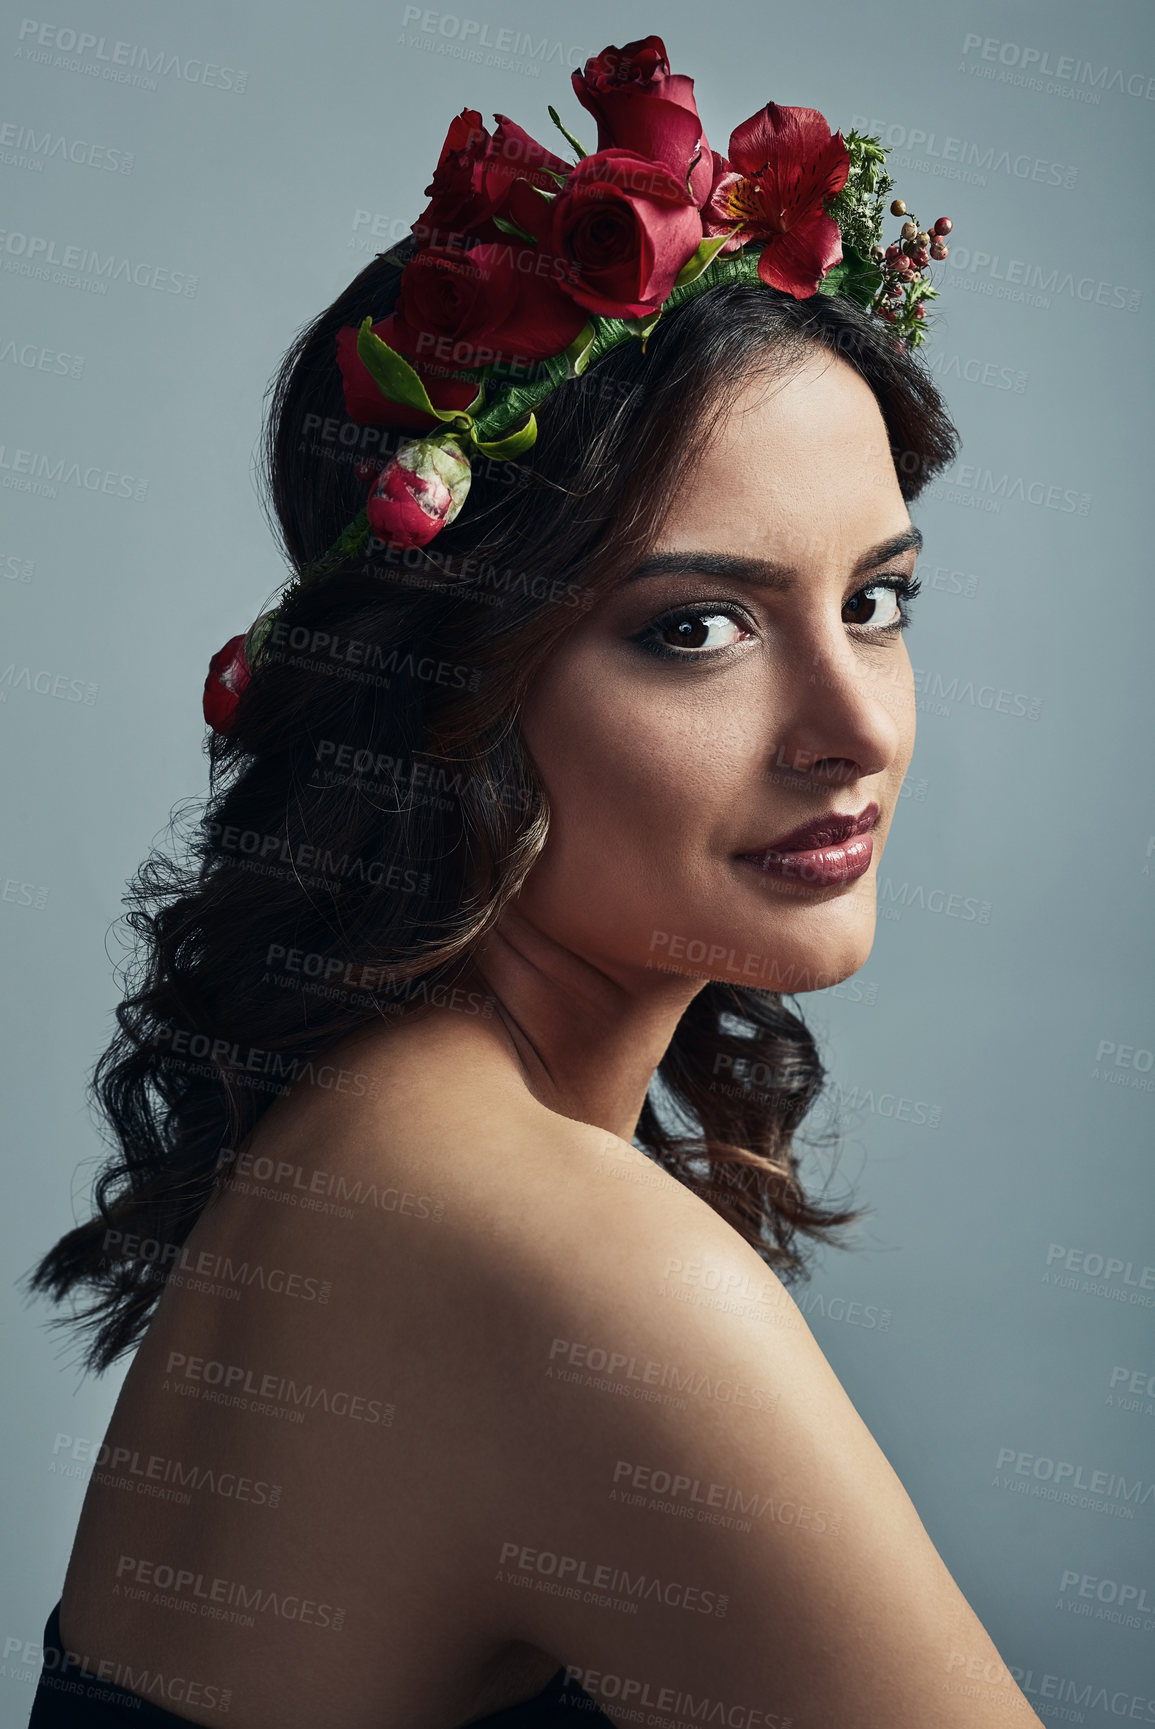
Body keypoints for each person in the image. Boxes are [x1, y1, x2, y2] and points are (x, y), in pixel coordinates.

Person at [24, 36, 1046, 1729]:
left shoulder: (380, 1138)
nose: (854, 725)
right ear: (456, 689)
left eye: (877, 601)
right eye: (696, 629)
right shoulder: (553, 1255)